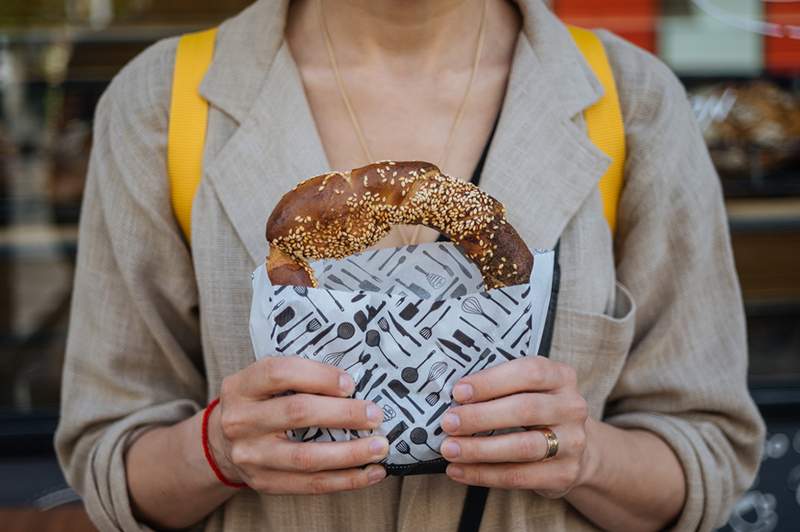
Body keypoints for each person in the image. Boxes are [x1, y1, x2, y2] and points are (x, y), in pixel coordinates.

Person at [55, 0, 765, 530]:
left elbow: (706, 456)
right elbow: (109, 458)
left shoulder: (631, 104)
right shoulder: (163, 107)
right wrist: (214, 451)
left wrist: (589, 458)